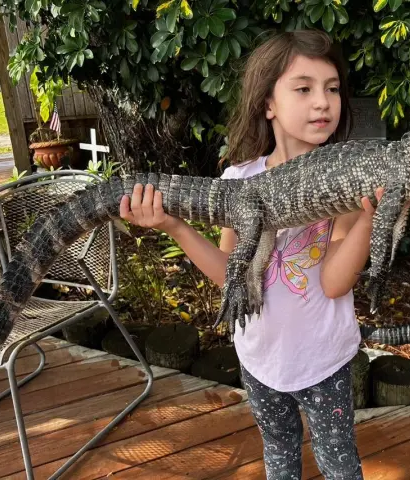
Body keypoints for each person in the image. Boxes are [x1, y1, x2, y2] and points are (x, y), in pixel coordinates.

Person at [119, 29, 382, 479]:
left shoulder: (349, 178)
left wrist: (370, 216)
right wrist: (173, 225)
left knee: (338, 460)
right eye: (303, 88)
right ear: (268, 104)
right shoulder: (238, 179)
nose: (323, 102)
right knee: (279, 452)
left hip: (324, 360)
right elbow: (232, 277)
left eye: (332, 88)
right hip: (259, 358)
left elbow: (335, 283)